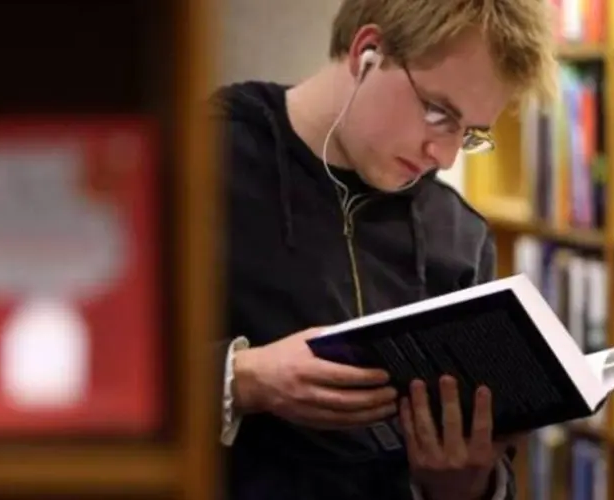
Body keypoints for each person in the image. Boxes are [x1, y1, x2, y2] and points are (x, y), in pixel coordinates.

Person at [210, 0, 556, 498]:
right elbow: (99, 379)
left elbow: (485, 470)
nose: (445, 155)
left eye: (470, 133)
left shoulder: (458, 235)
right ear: (367, 52)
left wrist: (465, 485)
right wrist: (242, 380)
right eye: (439, 112)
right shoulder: (205, 158)